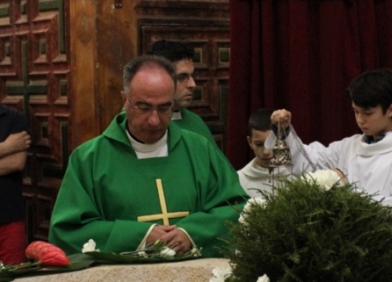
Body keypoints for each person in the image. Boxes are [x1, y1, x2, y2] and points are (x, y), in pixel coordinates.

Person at [49, 55, 247, 256]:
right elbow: (68, 232)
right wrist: (139, 237)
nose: (154, 121)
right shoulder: (89, 159)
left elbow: (237, 208)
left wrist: (192, 233)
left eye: (164, 108)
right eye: (144, 107)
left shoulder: (199, 149)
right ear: (125, 100)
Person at [270, 69, 392, 222]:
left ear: (391, 110)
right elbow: (310, 164)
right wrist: (285, 131)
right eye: (355, 111)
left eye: (368, 113)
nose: (360, 119)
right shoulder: (349, 146)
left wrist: (350, 192)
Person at [146, 40, 218, 147]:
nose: (192, 84)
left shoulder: (195, 122)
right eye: (182, 77)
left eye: (192, 76)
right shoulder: (137, 124)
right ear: (158, 78)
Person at [237, 108, 292, 198]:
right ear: (250, 142)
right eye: (259, 144)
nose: (266, 152)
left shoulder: (296, 175)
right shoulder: (238, 181)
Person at [0, 103, 30, 264]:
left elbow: (16, 163)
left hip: (8, 217)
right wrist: (6, 147)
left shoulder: (14, 118)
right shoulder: (10, 142)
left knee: (14, 281)